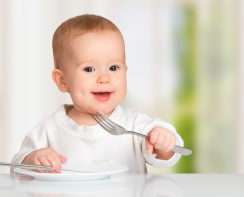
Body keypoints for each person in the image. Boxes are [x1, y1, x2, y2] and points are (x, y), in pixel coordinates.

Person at [12, 14, 184, 173]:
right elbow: (18, 165)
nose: (104, 78)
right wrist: (33, 158)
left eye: (114, 68)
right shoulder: (50, 128)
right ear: (62, 81)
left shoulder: (134, 126)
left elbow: (166, 156)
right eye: (89, 69)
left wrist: (163, 142)